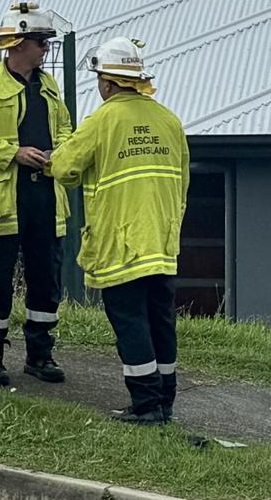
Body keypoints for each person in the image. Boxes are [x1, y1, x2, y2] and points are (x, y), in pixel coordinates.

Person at [46, 37, 188, 424]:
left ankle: (145, 405)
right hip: (161, 241)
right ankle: (166, 401)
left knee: (130, 321)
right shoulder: (169, 120)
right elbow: (183, 183)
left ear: (108, 83)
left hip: (121, 241)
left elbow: (65, 168)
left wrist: (49, 160)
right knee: (161, 320)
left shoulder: (104, 119)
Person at [0, 3, 73, 387]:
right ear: (19, 44)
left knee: (46, 279)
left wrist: (61, 154)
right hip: (5, 201)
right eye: (41, 42)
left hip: (45, 196)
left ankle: (40, 356)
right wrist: (14, 152)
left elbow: (67, 130)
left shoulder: (50, 86)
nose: (45, 50)